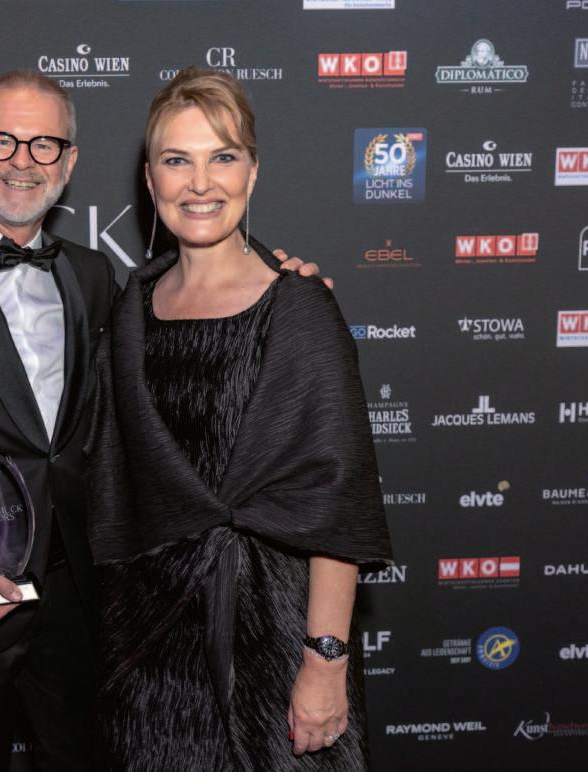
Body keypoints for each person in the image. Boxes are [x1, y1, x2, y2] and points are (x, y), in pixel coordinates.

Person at [0, 69, 326, 772]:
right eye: (3, 141)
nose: (22, 161)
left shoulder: (94, 277)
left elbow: (192, 340)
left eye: (45, 145)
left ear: (68, 164)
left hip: (79, 608)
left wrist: (282, 284)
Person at [85, 67, 393, 771]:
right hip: (148, 643)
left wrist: (324, 661)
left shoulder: (297, 308)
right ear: (150, 179)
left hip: (273, 638)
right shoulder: (130, 312)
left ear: (251, 172)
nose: (200, 183)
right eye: (176, 160)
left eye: (221, 157)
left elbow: (335, 501)